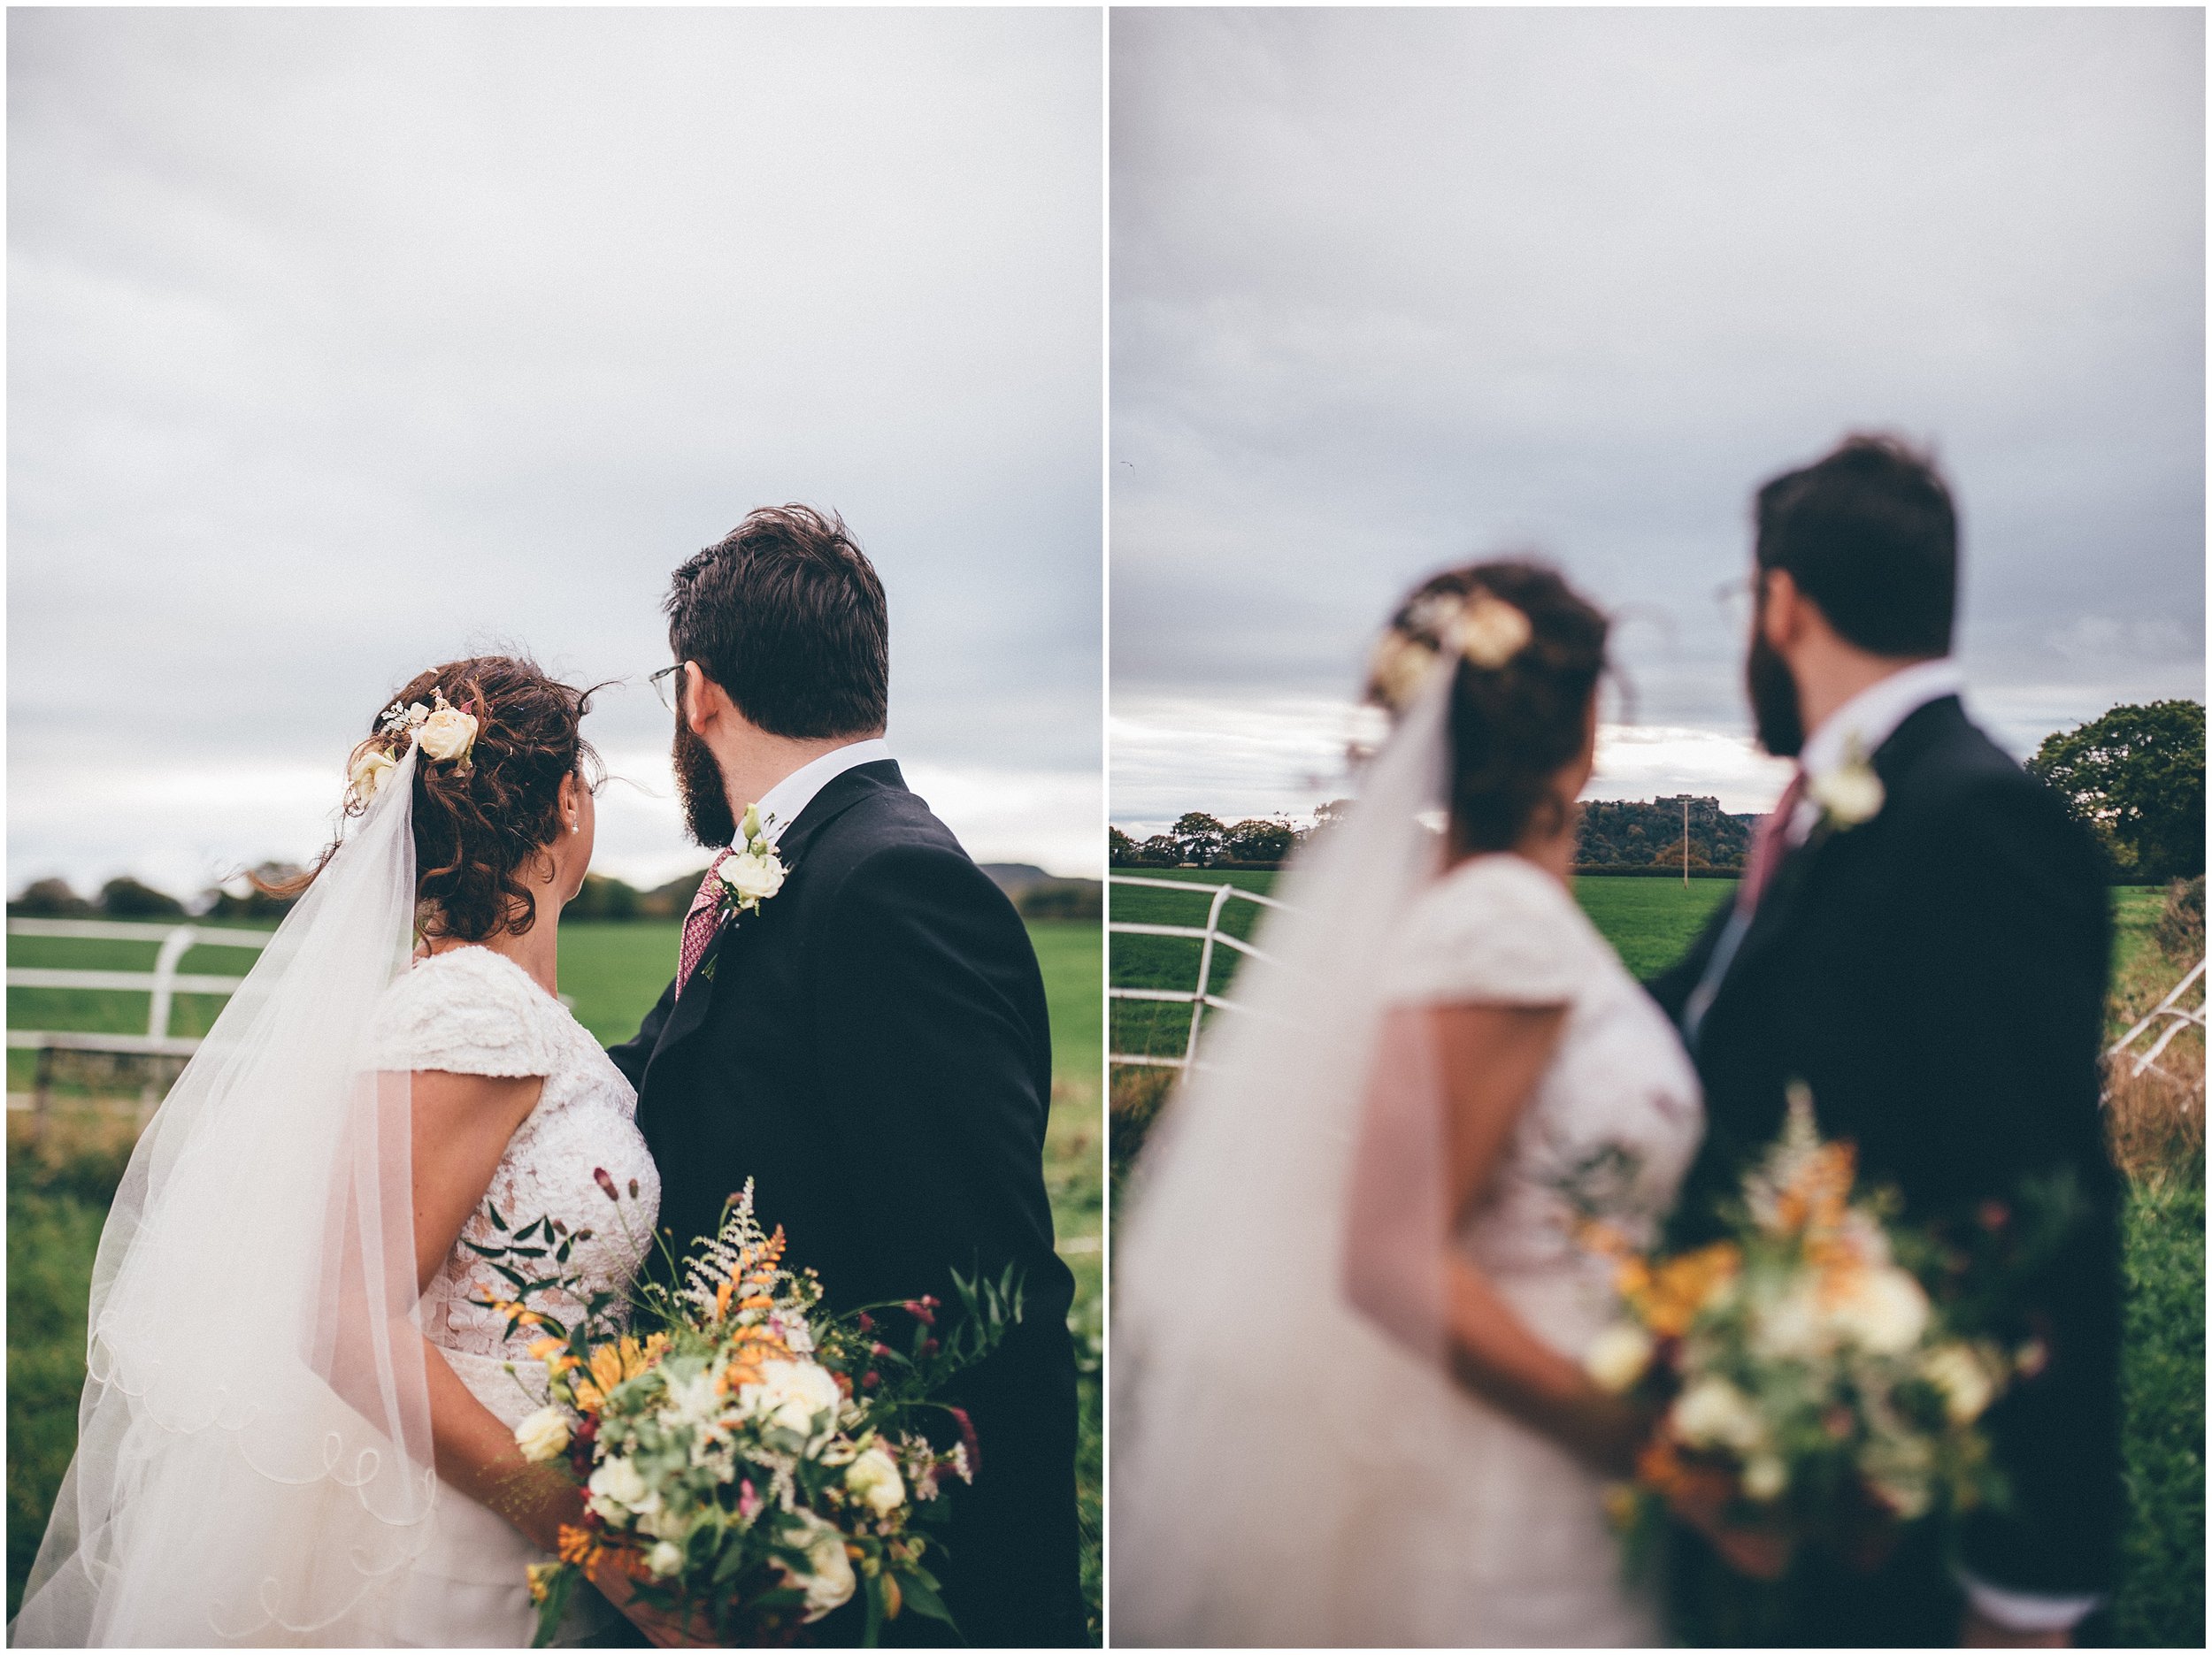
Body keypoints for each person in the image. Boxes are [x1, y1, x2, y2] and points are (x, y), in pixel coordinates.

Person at [12, 655, 677, 1646]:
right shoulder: (477, 1011)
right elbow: (344, 1319)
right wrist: (580, 1528)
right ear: (569, 802)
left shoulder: (495, 1006)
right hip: (475, 1529)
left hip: (511, 1491)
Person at [1112, 560, 1704, 1645]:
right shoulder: (1500, 928)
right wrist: (1649, 1437)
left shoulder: (1464, 916)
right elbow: (1390, 1258)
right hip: (1533, 1482)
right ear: (1585, 735)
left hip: (1540, 1452)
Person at [1648, 435, 2123, 1647]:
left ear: (1784, 602)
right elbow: (1681, 1021)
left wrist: (2030, 1595)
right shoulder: (1828, 810)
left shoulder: (1978, 820)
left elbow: (2045, 1206)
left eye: (1745, 599)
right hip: (1763, 1492)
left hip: (1884, 1528)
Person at [608, 505, 1087, 1647]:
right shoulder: (797, 862)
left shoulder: (889, 885)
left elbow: (989, 1288)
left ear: (699, 690)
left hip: (875, 1581)